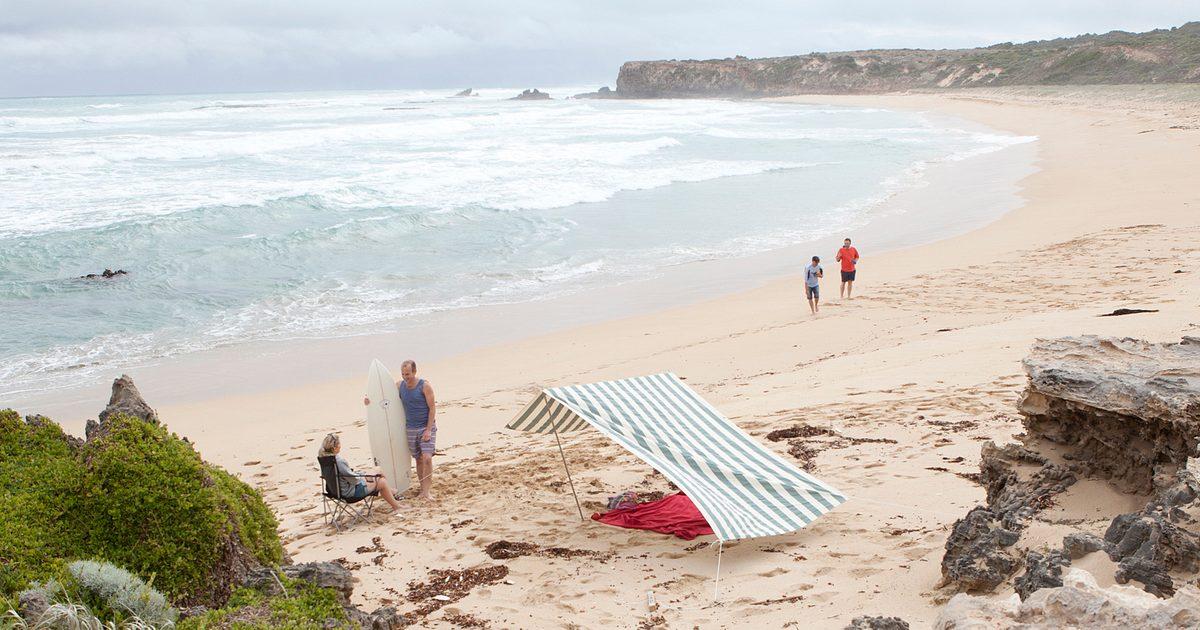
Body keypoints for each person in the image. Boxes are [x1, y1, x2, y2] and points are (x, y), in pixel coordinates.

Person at [318, 432, 403, 511]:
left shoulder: (324, 459)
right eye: (339, 444)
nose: (340, 445)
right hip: (350, 493)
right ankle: (396, 505)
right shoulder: (338, 461)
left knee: (377, 470)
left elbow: (345, 476)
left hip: (335, 492)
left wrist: (362, 475)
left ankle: (392, 492)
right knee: (382, 481)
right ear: (334, 448)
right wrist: (364, 478)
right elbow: (354, 480)